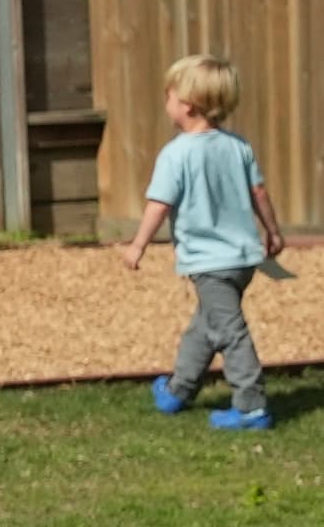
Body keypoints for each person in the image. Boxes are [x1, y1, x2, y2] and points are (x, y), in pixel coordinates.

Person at [123, 51, 287, 431]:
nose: (166, 102)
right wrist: (273, 232)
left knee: (229, 332)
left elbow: (158, 205)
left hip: (209, 264)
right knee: (206, 325)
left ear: (188, 105)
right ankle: (177, 391)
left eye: (169, 96)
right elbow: (258, 192)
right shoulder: (237, 146)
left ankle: (251, 407)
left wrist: (137, 245)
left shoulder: (176, 154)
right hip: (243, 259)